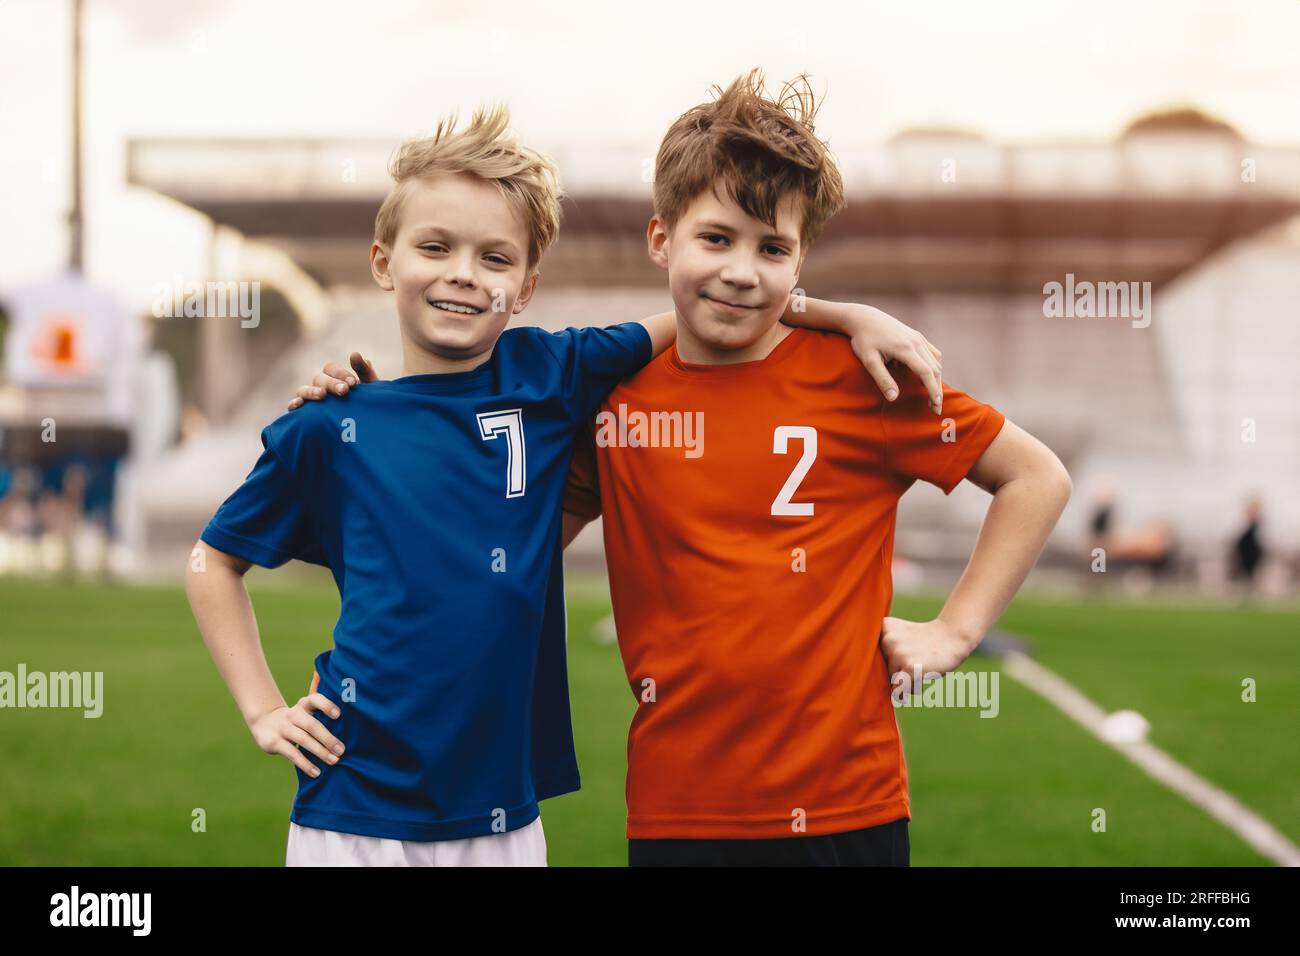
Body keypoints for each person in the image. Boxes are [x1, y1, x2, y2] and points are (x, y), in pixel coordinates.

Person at [300, 71, 1071, 866]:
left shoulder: (864, 376)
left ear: (801, 262)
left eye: (773, 249)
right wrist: (370, 411)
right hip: (677, 814)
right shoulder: (609, 398)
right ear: (661, 238)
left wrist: (955, 630)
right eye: (717, 239)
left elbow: (1035, 477)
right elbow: (481, 558)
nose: (743, 270)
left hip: (848, 805)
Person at [191, 102, 935, 867]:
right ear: (384, 261)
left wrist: (838, 314)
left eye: (494, 258)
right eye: (435, 246)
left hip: (503, 817)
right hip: (349, 803)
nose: (462, 274)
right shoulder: (331, 424)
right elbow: (212, 562)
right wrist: (262, 709)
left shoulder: (552, 374)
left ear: (527, 285)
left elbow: (710, 303)